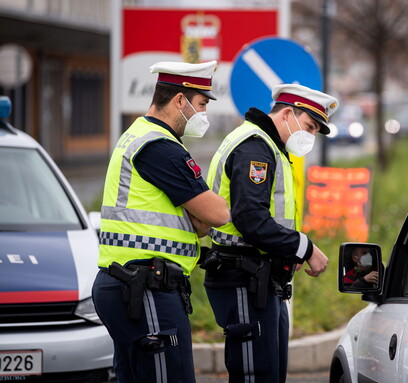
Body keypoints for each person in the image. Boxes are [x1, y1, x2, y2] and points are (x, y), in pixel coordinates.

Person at [92, 61, 230, 383]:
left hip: (129, 284)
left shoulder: (138, 136)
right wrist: (204, 212)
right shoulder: (159, 147)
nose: (203, 115)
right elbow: (217, 215)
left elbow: (200, 223)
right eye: (201, 105)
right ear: (179, 101)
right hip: (145, 288)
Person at [201, 84, 339, 383]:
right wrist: (305, 248)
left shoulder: (269, 147)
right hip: (244, 278)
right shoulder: (255, 147)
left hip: (259, 281)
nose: (310, 136)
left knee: (269, 374)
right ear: (288, 113)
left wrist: (286, 250)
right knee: (256, 376)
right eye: (309, 127)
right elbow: (251, 218)